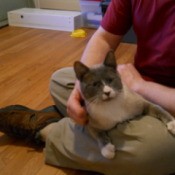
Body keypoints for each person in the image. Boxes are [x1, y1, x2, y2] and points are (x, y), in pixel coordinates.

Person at [0, 0, 175, 175]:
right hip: (127, 86)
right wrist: (78, 91)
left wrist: (142, 86)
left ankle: (47, 129)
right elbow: (104, 37)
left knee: (162, 152)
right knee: (60, 79)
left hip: (162, 97)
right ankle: (94, 123)